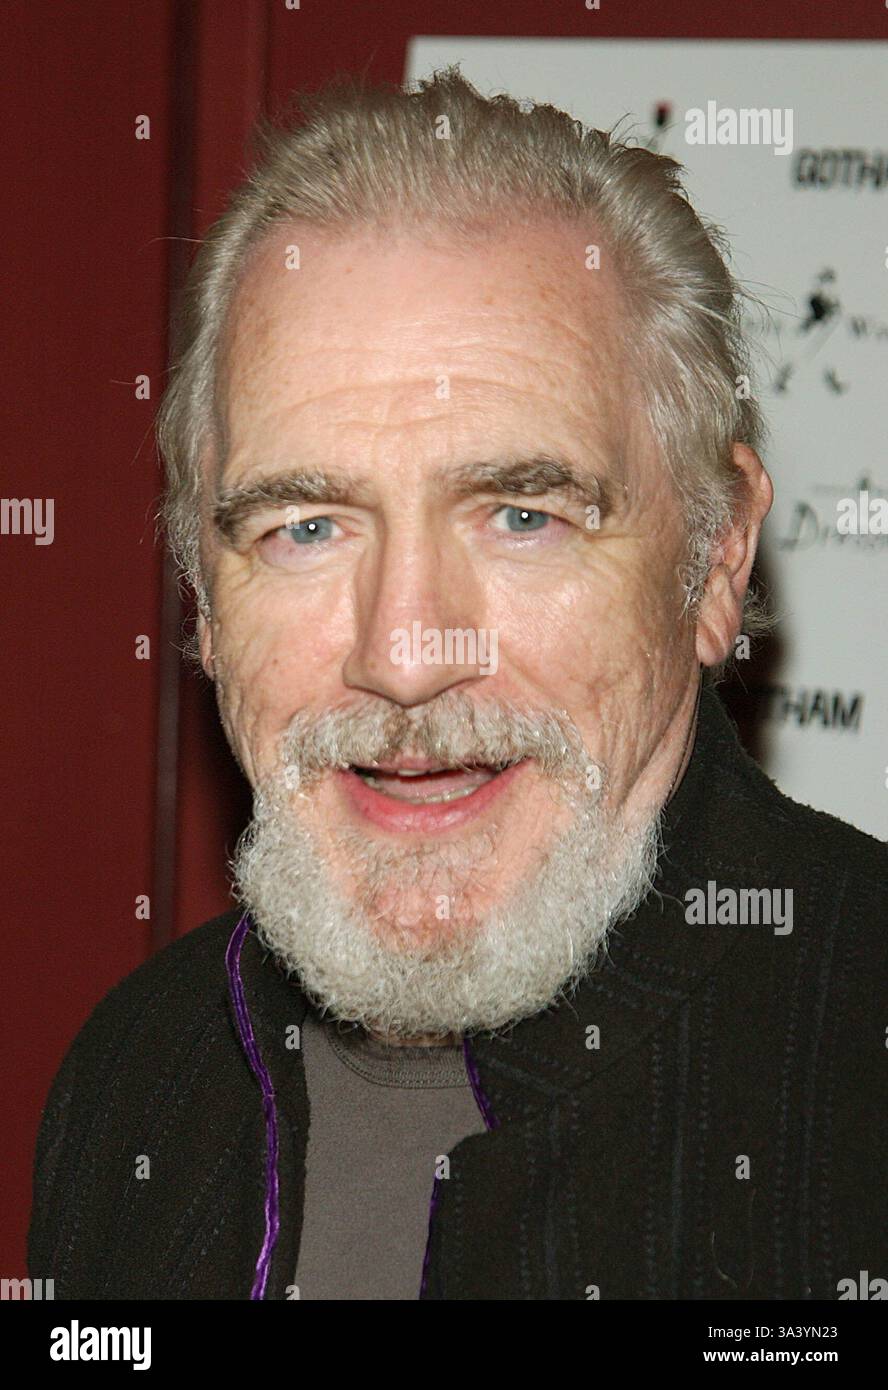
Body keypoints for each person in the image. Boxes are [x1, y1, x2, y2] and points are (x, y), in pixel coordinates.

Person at [29, 66, 887, 1301]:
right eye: (306, 528)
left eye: (522, 515)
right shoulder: (136, 1080)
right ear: (202, 598)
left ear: (714, 558)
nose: (404, 653)